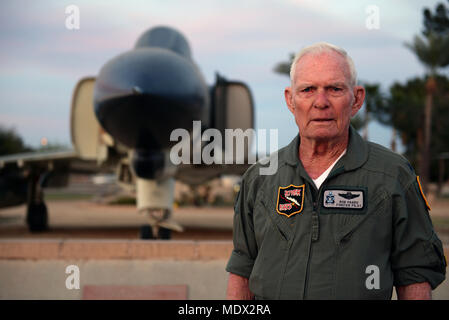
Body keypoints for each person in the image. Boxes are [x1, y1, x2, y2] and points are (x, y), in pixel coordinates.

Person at [225, 42, 447, 300]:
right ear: (290, 99)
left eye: (334, 89)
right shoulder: (260, 178)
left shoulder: (393, 176)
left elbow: (415, 276)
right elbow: (242, 268)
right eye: (308, 90)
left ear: (357, 99)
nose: (321, 102)